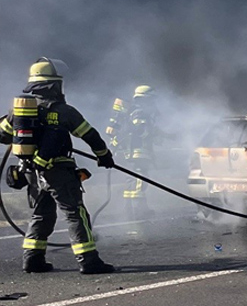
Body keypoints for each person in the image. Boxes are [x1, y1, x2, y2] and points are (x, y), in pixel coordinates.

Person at [0, 58, 117, 274]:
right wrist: (104, 156)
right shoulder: (64, 111)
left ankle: (33, 260)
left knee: (41, 214)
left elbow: (3, 135)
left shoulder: (19, 109)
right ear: (54, 84)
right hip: (58, 171)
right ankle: (89, 261)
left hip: (31, 171)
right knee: (74, 212)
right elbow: (91, 136)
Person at [108, 85, 158, 217]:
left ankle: (129, 209)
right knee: (140, 181)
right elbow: (136, 130)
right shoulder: (140, 112)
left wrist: (167, 136)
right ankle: (138, 210)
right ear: (145, 99)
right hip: (138, 154)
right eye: (152, 100)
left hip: (131, 153)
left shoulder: (134, 111)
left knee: (131, 181)